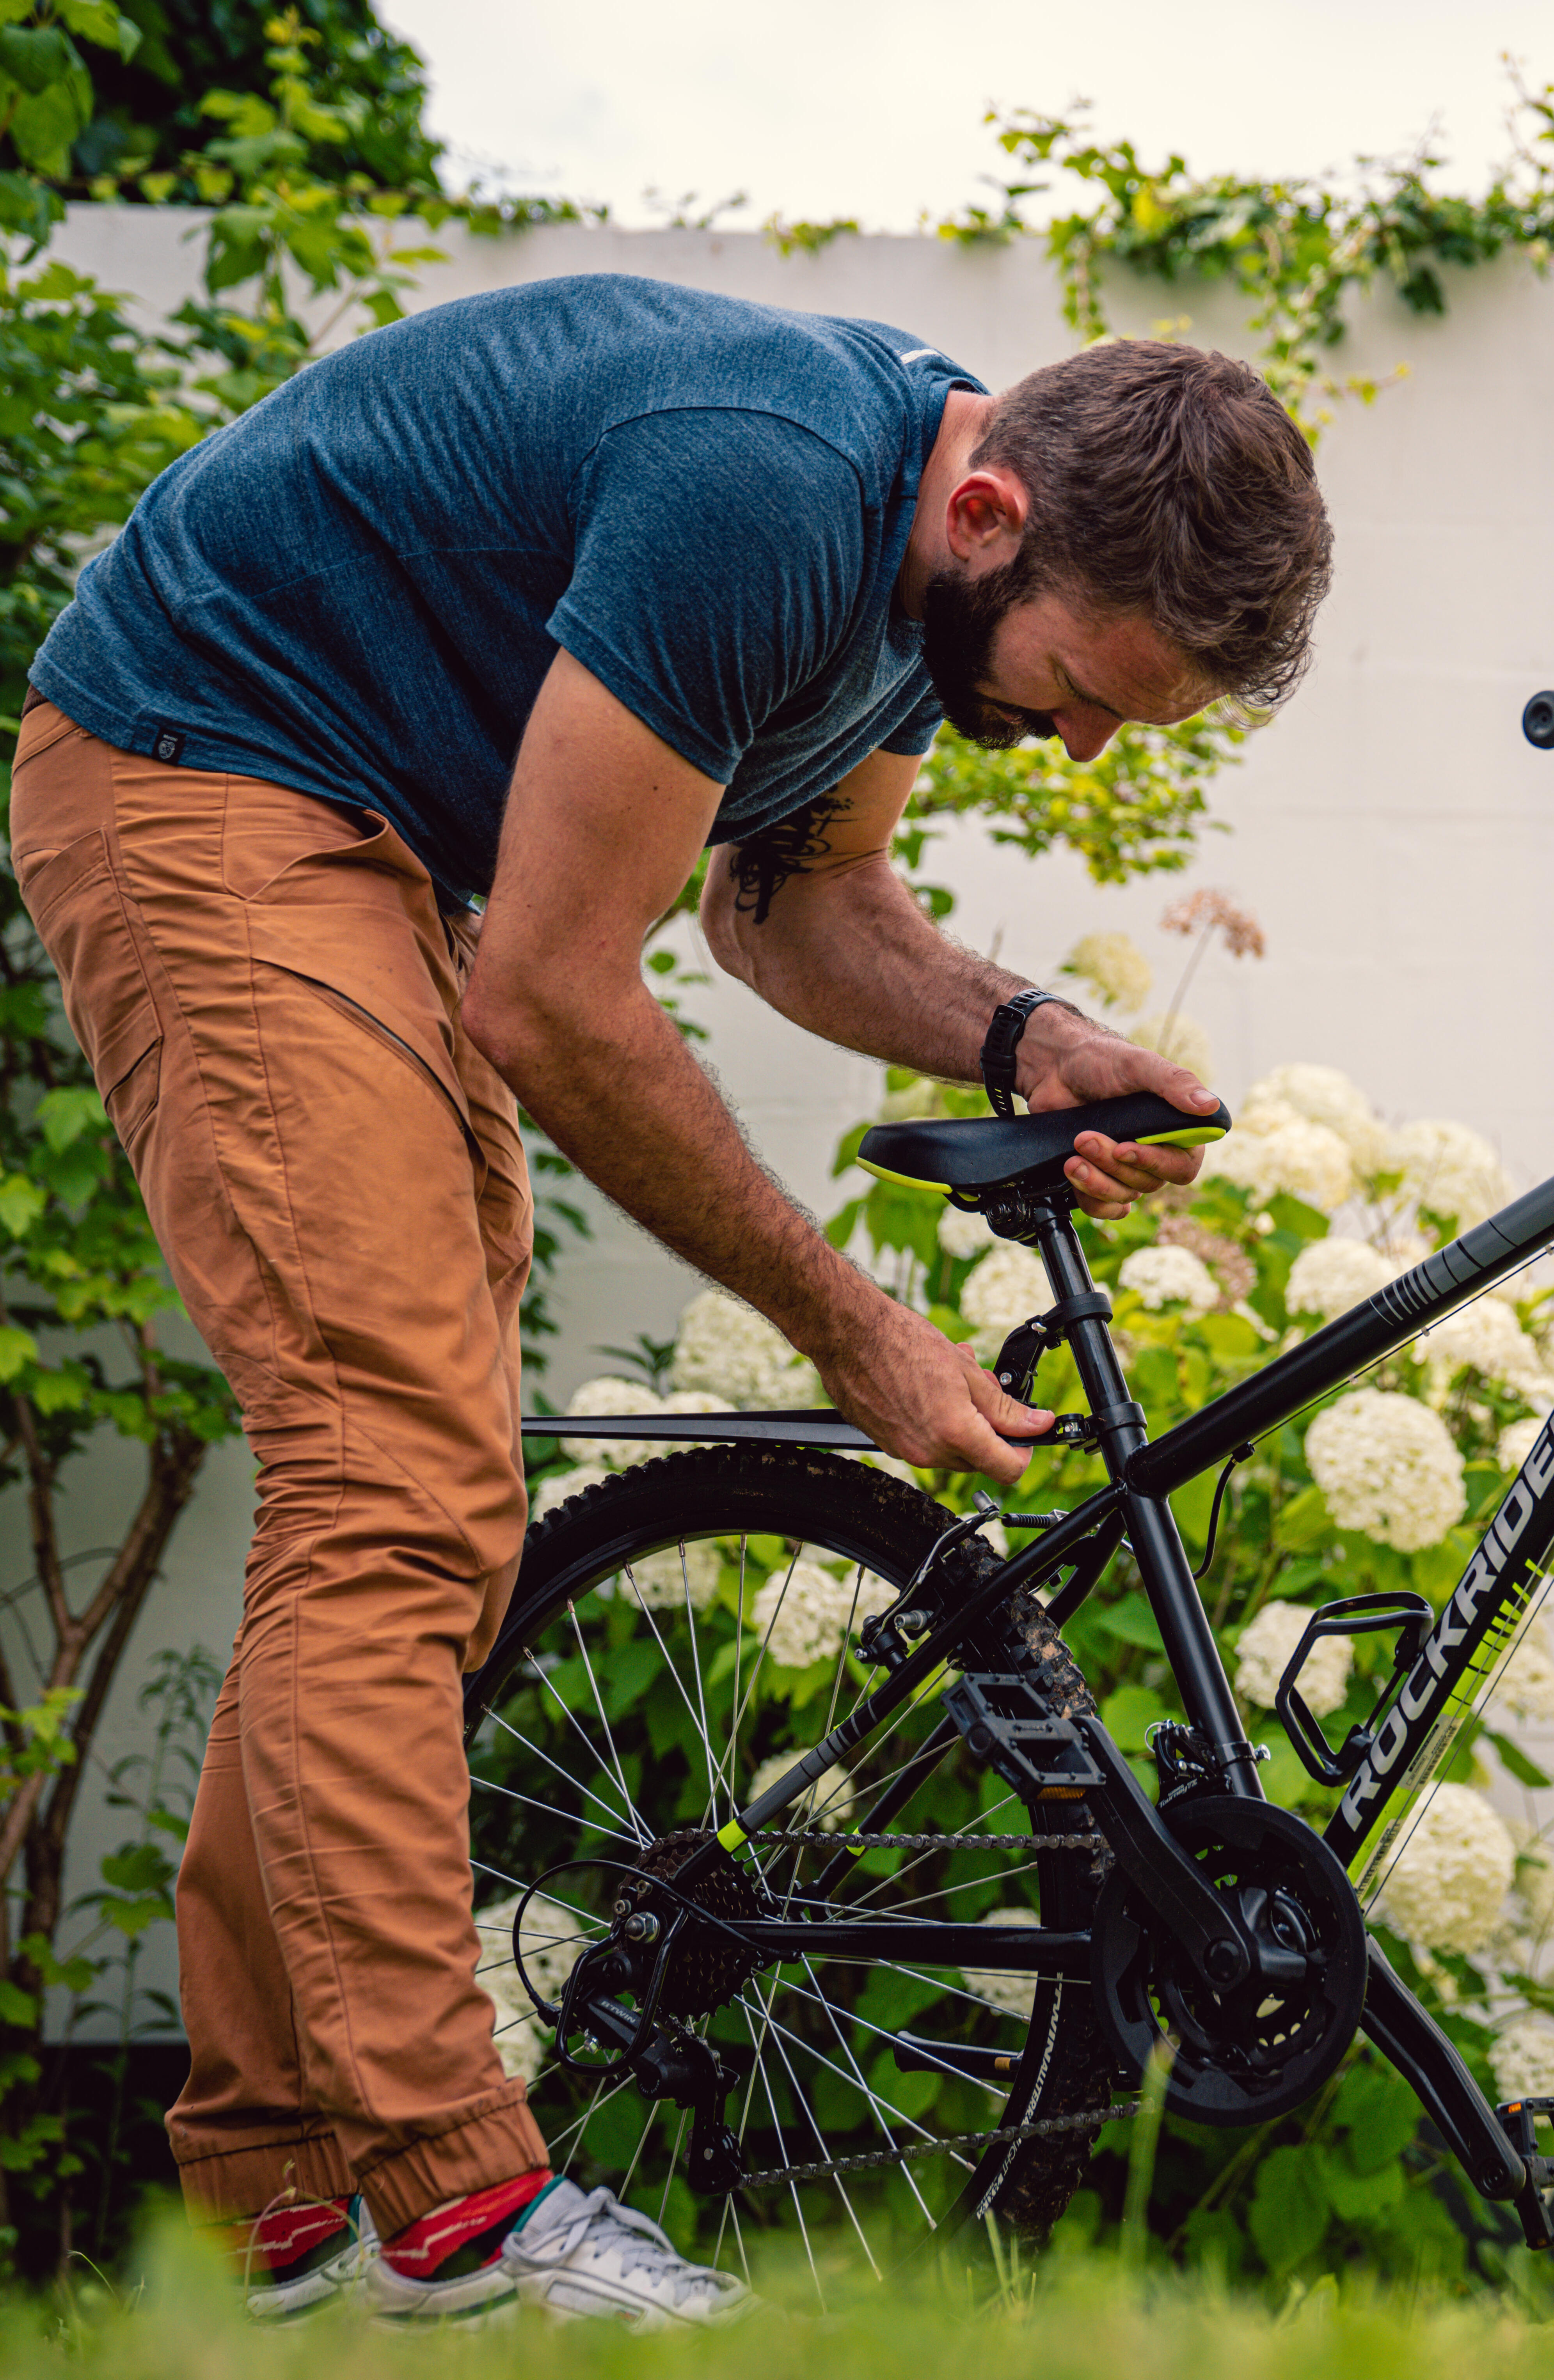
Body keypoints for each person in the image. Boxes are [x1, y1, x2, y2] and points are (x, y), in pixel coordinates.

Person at [6, 274, 1332, 2323]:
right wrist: (849, 1321)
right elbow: (548, 986)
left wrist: (1024, 1038)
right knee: (392, 1486)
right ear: (988, 517)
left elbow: (793, 902)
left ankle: (278, 2197)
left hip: (369, 848)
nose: (1071, 744)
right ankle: (458, 2203)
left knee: (407, 1517)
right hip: (211, 767)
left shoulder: (919, 588)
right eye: (1086, 687)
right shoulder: (768, 488)